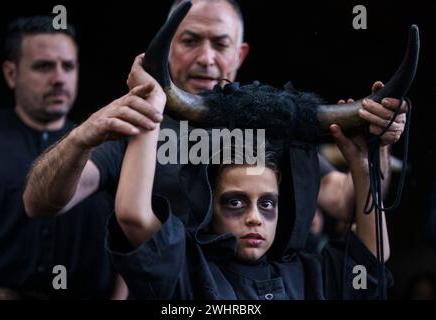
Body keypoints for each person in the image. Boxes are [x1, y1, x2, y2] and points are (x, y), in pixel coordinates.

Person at [23, 0, 406, 236]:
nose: (207, 58)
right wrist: (83, 135)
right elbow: (41, 203)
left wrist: (375, 149)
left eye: (220, 44)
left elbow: (344, 199)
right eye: (190, 41)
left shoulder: (272, 123)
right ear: (167, 48)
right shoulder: (137, 125)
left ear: (239, 54)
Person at [106, 56, 392, 299]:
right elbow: (133, 214)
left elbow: (371, 256)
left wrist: (363, 167)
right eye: (235, 202)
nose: (255, 217)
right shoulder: (187, 267)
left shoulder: (308, 274)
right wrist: (151, 108)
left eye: (267, 204)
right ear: (209, 206)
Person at [0, 16, 126, 299]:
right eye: (44, 66)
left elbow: (132, 237)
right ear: (11, 74)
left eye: (68, 66)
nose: (59, 78)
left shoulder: (107, 146)